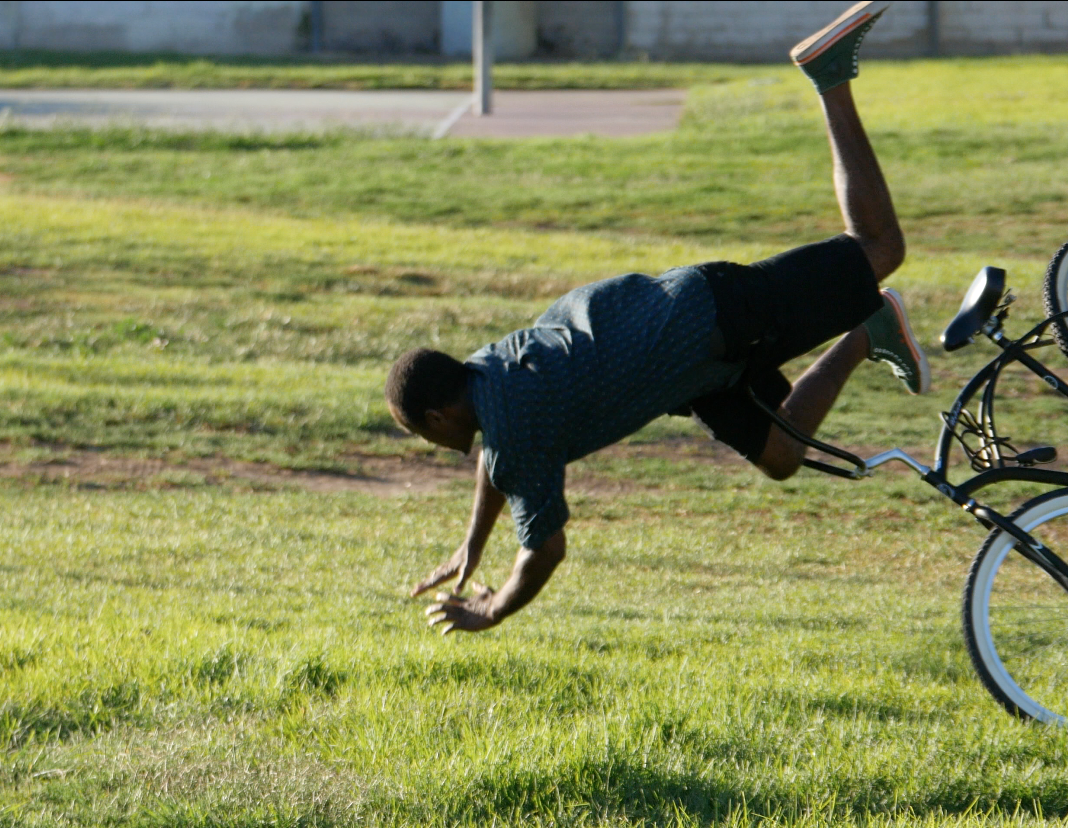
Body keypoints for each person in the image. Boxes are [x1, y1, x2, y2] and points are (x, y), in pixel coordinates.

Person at [386, 2, 930, 634]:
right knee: (782, 456)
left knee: (880, 248)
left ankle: (829, 76)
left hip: (712, 317)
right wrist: (473, 546)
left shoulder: (513, 428)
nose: (438, 447)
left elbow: (544, 550)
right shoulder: (487, 375)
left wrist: (493, 607)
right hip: (690, 367)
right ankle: (870, 329)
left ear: (437, 416)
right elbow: (494, 461)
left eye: (427, 437)